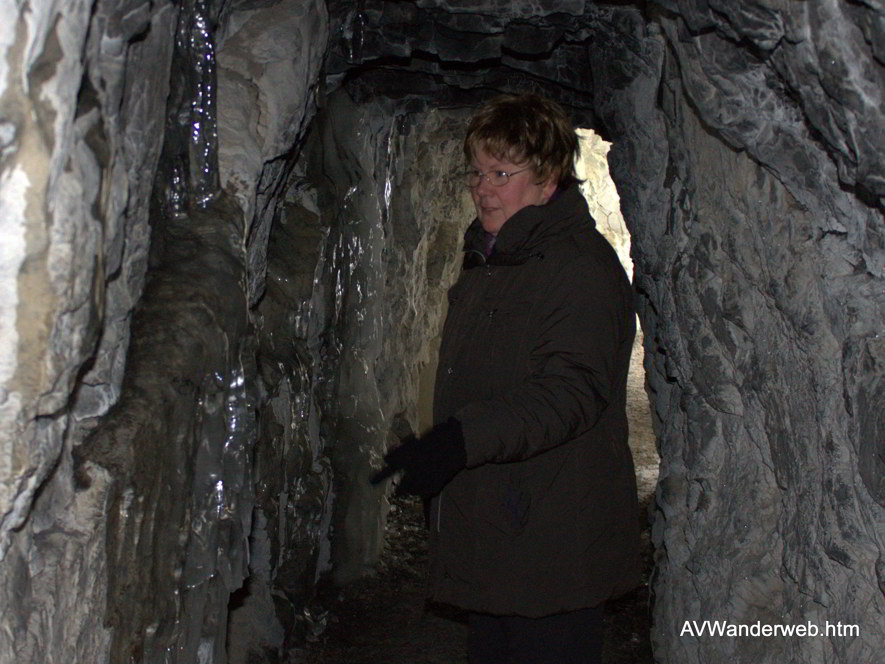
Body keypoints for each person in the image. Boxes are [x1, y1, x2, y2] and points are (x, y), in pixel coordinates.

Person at [373, 93, 640, 664]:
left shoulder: (578, 268)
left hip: (553, 533)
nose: (482, 187)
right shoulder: (494, 259)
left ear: (547, 178)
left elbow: (573, 390)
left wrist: (460, 439)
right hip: (503, 527)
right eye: (476, 171)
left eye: (501, 172)